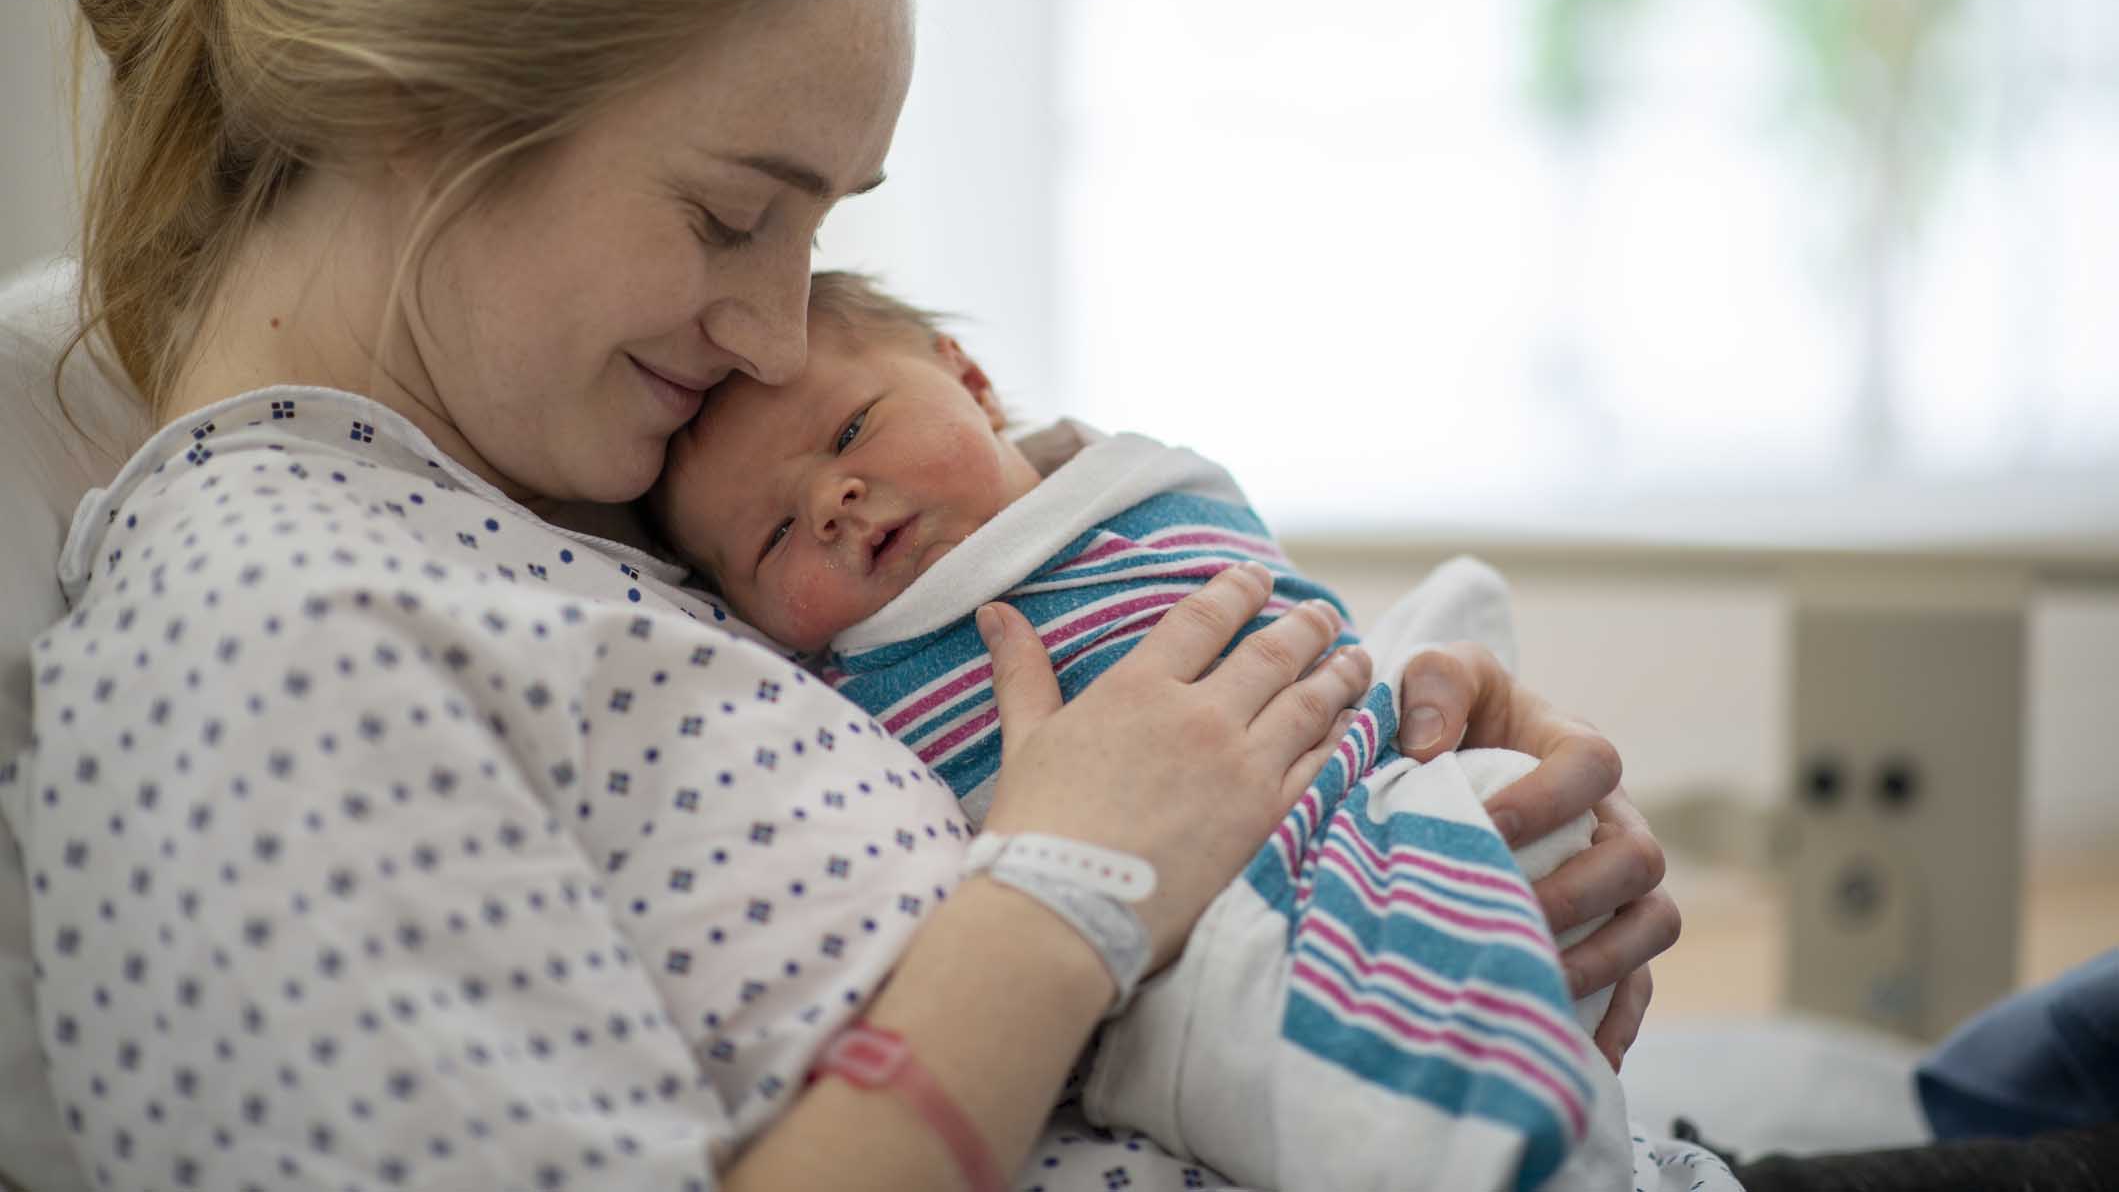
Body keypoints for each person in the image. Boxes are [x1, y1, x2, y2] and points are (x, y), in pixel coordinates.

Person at [4, 0, 1678, 1189]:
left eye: (820, 230)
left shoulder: (561, 517)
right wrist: (1068, 882)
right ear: (413, 109)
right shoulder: (268, 643)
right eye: (734, 212)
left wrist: (1412, 823)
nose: (772, 324)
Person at [648, 270, 1738, 1191]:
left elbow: (1293, 615)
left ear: (970, 380)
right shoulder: (843, 687)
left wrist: (1416, 708)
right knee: (1285, 1027)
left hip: (1369, 767)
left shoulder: (1129, 486)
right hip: (1219, 907)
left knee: (1500, 781)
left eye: (849, 429)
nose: (833, 498)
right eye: (776, 531)